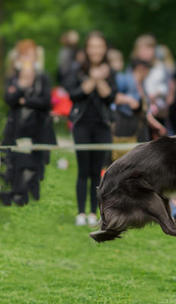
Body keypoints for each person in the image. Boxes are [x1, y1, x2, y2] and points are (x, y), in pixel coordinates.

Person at [64, 31, 117, 227]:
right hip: (82, 124)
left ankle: (94, 213)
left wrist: (100, 79)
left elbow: (110, 97)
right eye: (92, 46)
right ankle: (80, 212)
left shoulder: (110, 71)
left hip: (102, 125)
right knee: (83, 170)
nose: (95, 50)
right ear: (87, 49)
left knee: (97, 171)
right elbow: (74, 94)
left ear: (104, 49)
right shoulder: (77, 70)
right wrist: (93, 78)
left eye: (99, 46)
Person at [1, 40, 56, 206]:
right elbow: (9, 100)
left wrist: (25, 101)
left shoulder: (43, 78)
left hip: (38, 129)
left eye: (31, 54)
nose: (28, 58)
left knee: (35, 165)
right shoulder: (14, 78)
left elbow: (47, 102)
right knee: (17, 162)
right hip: (17, 128)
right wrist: (22, 85)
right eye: (24, 54)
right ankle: (18, 195)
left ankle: (30, 194)